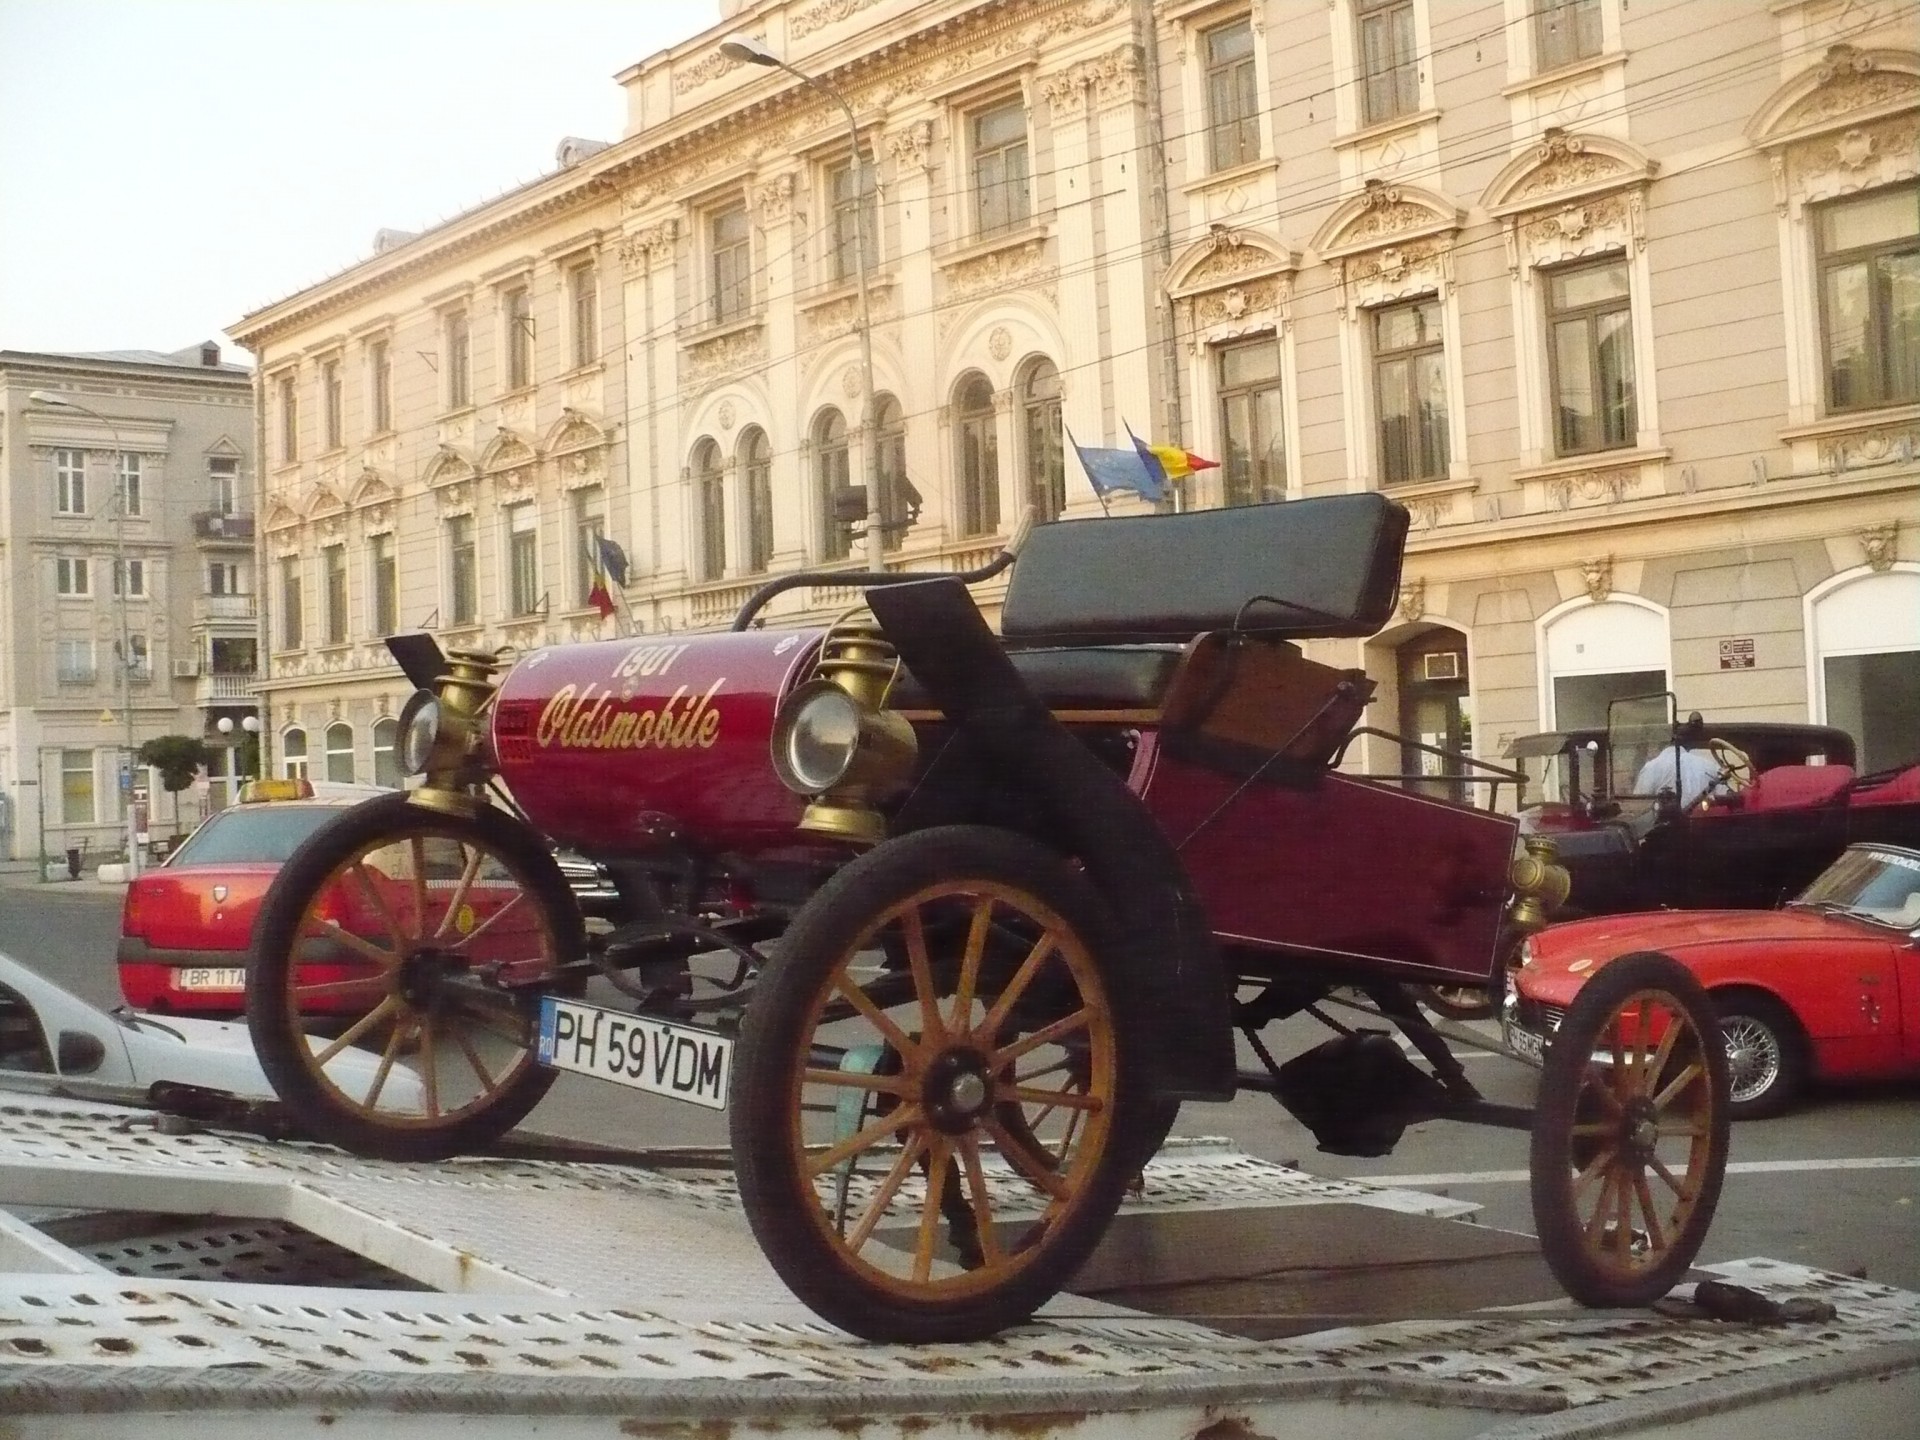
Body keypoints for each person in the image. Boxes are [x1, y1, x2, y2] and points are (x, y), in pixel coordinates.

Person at [1632, 713, 1728, 809]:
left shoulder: (1651, 768)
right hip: (1703, 823)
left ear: (1662, 744)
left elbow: (1639, 807)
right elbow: (1726, 800)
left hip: (1663, 823)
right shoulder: (1710, 767)